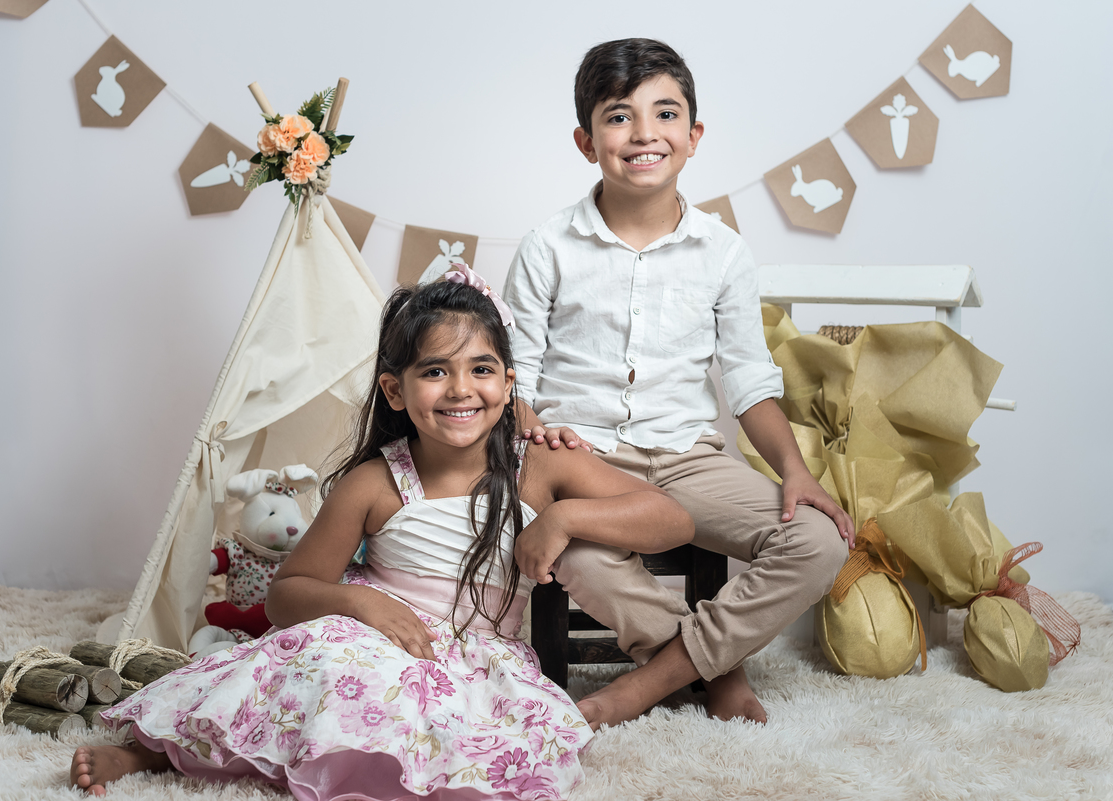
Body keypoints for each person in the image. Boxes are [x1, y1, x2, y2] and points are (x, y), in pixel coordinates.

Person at [70, 266, 694, 800]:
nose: (460, 389)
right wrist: (358, 603)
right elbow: (286, 595)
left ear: (508, 384)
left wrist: (563, 517)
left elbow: (672, 518)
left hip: (478, 656)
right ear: (395, 390)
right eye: (435, 372)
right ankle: (154, 753)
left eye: (481, 368)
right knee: (328, 670)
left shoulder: (541, 465)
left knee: (479, 744)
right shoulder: (374, 482)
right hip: (367, 638)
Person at [503, 38, 855, 729]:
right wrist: (535, 438)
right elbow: (518, 374)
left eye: (665, 114)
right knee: (578, 555)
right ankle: (719, 670)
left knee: (819, 541)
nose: (644, 134)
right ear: (586, 141)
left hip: (689, 457)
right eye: (619, 117)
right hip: (586, 461)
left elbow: (749, 379)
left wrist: (794, 470)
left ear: (693, 137)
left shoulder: (723, 251)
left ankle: (644, 686)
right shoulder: (548, 246)